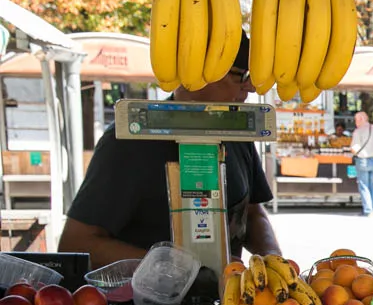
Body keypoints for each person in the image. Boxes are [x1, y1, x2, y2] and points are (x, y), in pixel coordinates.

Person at [60, 33, 280, 268]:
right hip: (145, 302)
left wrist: (274, 259)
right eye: (240, 76)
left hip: (228, 299)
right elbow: (77, 243)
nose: (250, 88)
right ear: (199, 73)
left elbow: (252, 212)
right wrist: (177, 269)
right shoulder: (127, 143)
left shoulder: (236, 132)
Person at [350, 111, 373, 216]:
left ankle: (368, 210)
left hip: (362, 160)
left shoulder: (358, 131)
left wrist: (355, 152)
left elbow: (354, 148)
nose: (355, 122)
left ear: (361, 119)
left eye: (356, 119)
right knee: (372, 185)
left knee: (364, 186)